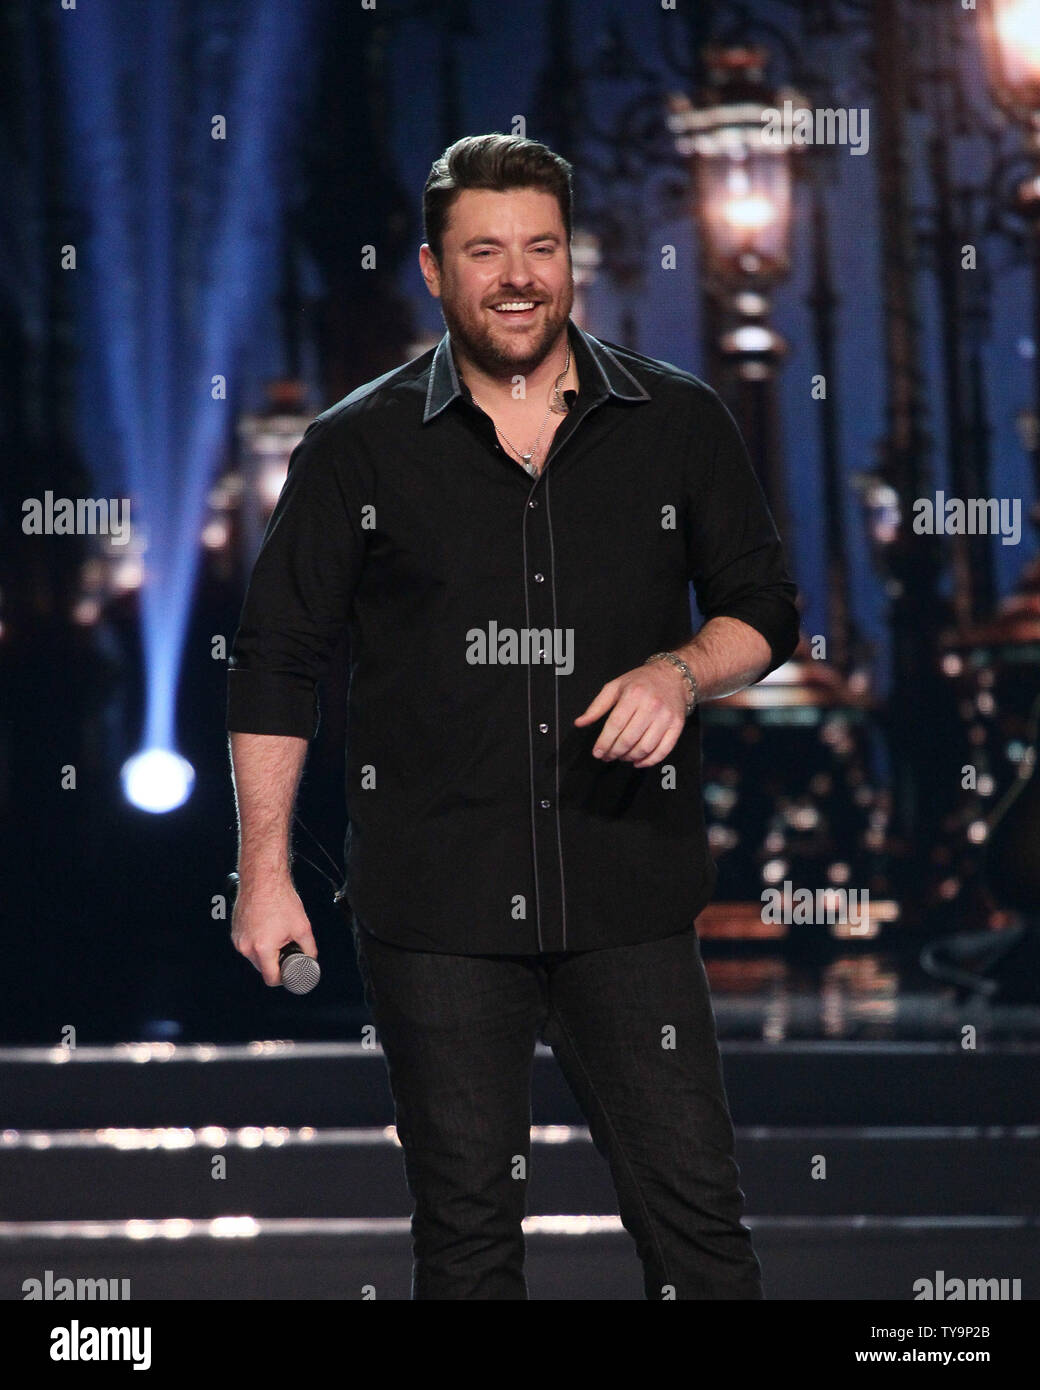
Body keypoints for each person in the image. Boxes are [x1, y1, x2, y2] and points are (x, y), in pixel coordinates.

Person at [227, 133, 800, 1300]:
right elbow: (277, 661)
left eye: (541, 246)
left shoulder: (675, 421)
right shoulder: (354, 447)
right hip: (434, 910)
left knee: (699, 1235)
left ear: (572, 261)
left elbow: (764, 610)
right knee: (469, 1244)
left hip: (627, 897)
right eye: (484, 250)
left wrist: (680, 674)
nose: (518, 274)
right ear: (433, 271)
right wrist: (264, 868)